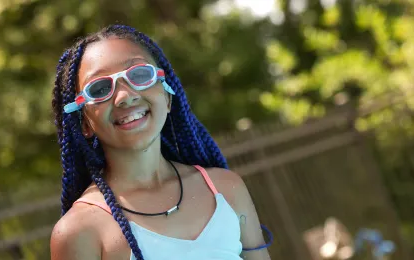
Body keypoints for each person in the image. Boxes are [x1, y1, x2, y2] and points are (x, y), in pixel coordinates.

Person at [49, 24, 272, 260]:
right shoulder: (79, 231)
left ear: (166, 95)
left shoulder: (227, 189)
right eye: (100, 88)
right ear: (83, 123)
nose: (125, 96)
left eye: (139, 75)